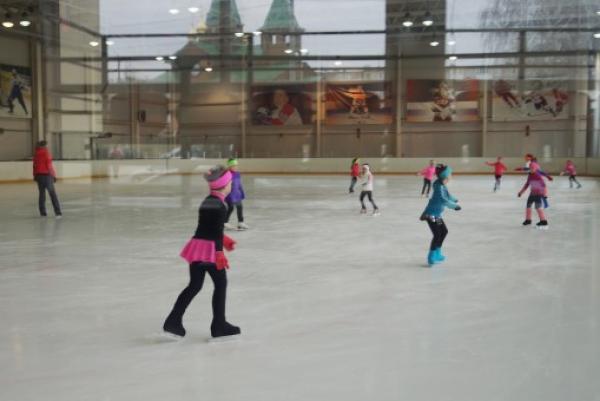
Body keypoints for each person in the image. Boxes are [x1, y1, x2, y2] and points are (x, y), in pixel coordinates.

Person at [162, 166, 240, 339]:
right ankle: (219, 325)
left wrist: (225, 240)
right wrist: (219, 252)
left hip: (197, 249)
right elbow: (214, 231)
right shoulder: (221, 205)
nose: (231, 185)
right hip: (210, 252)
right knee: (220, 284)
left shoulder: (208, 200)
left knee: (194, 285)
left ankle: (173, 321)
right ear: (224, 185)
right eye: (230, 182)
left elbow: (207, 228)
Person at [420, 164, 461, 266]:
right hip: (431, 215)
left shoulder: (441, 184)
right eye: (449, 174)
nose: (451, 176)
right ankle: (431, 255)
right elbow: (443, 199)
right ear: (445, 176)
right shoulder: (438, 187)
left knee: (443, 231)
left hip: (437, 215)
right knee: (437, 234)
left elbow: (448, 195)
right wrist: (454, 206)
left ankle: (437, 253)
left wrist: (454, 199)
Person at [33, 140, 62, 218]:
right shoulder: (46, 153)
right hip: (47, 176)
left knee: (42, 194)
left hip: (39, 176)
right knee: (52, 194)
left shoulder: (36, 154)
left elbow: (34, 166)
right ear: (44, 145)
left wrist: (35, 175)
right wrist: (53, 175)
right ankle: (58, 212)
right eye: (46, 145)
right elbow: (49, 166)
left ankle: (43, 213)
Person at [518, 162, 549, 229]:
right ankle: (528, 220)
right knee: (528, 206)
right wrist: (521, 192)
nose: (531, 169)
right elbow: (527, 184)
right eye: (530, 168)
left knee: (538, 207)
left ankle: (543, 221)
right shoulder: (530, 175)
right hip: (532, 193)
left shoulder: (538, 176)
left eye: (533, 168)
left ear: (536, 169)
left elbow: (544, 185)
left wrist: (545, 194)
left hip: (538, 194)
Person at [224, 158, 249, 231]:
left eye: (236, 166)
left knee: (240, 207)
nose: (235, 167)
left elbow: (239, 184)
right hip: (229, 194)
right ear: (229, 166)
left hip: (237, 193)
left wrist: (242, 192)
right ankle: (225, 222)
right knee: (231, 207)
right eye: (233, 166)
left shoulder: (237, 173)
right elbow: (224, 185)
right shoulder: (227, 174)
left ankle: (240, 222)